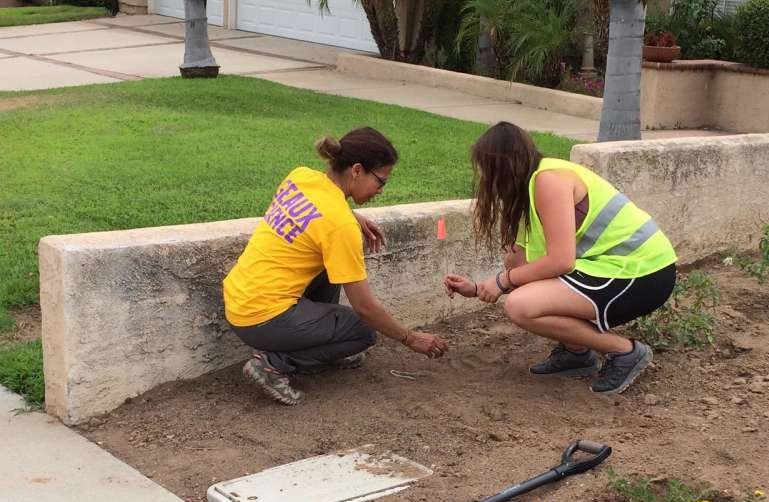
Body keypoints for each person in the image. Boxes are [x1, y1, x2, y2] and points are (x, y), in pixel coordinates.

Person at [444, 122, 677, 395]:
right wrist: (478, 288)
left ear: (501, 166)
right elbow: (520, 265)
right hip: (617, 270)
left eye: (486, 169)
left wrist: (503, 281)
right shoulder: (528, 191)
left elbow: (560, 261)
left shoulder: (549, 180)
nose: (485, 179)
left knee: (520, 305)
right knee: (524, 293)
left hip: (643, 273)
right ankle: (577, 354)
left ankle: (625, 352)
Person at [224, 127, 448, 405]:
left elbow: (321, 209)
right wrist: (410, 338)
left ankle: (320, 346)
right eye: (381, 182)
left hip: (239, 301)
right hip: (264, 318)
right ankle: (274, 363)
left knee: (332, 268)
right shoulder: (338, 225)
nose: (380, 190)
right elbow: (365, 308)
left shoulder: (301, 176)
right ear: (356, 170)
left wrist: (352, 215)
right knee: (363, 331)